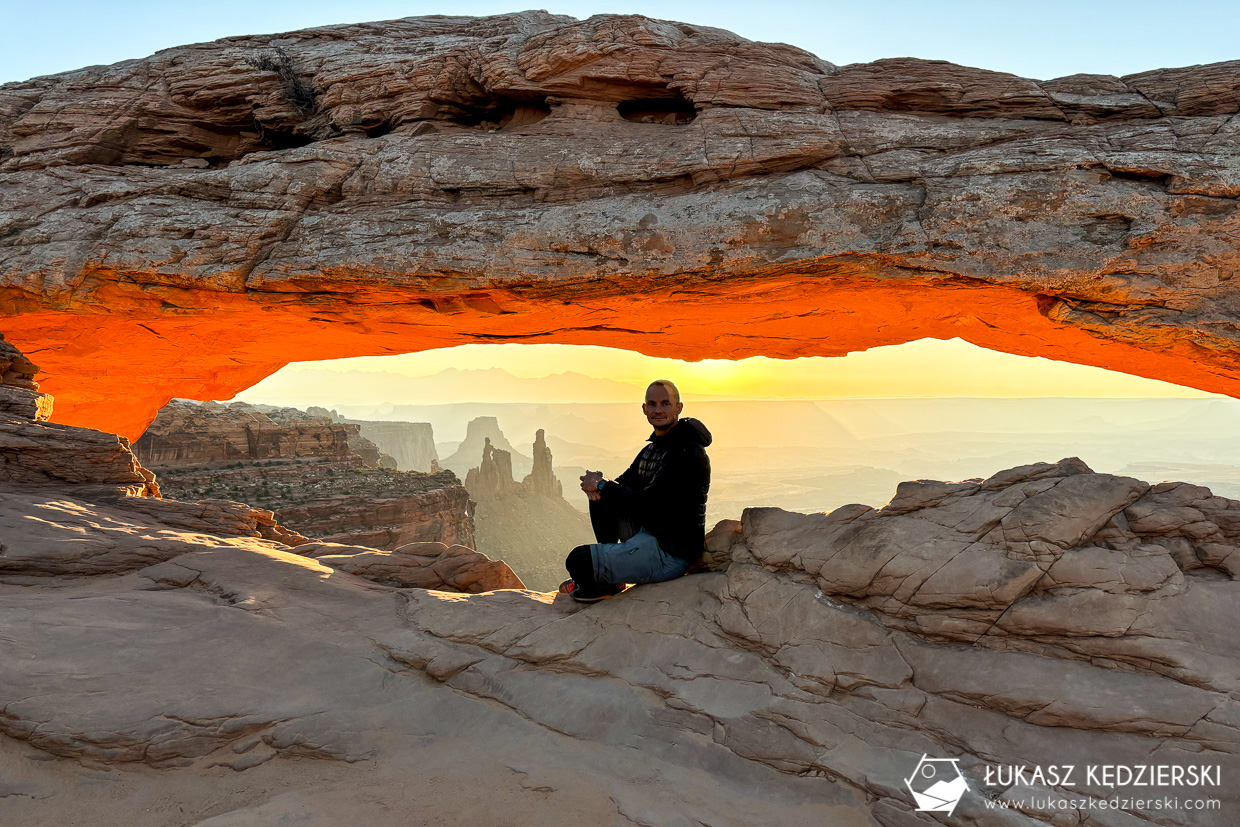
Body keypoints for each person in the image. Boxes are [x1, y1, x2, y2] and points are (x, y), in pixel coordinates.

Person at [559, 379, 712, 603]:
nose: (658, 409)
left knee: (578, 560)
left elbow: (648, 504)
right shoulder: (651, 450)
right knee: (602, 499)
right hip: (649, 533)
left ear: (679, 408)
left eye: (665, 404)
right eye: (652, 404)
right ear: (644, 409)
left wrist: (601, 484)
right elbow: (622, 486)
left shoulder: (688, 454)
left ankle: (602, 580)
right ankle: (610, 577)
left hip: (669, 553)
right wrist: (597, 486)